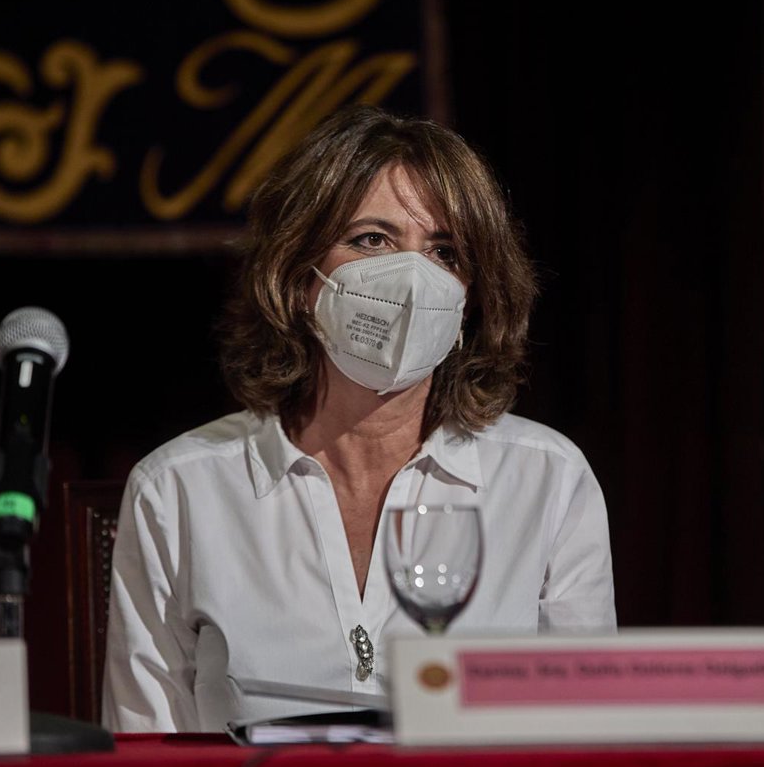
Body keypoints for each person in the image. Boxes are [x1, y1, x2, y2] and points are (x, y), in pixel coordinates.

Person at [101, 105, 617, 732]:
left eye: (445, 251)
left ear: (471, 298)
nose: (413, 278)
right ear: (299, 276)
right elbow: (147, 749)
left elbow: (586, 737)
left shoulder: (547, 481)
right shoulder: (179, 489)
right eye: (372, 239)